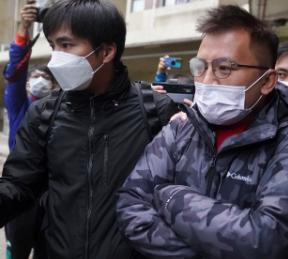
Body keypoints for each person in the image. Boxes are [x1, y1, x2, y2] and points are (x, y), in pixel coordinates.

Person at [117, 5, 288, 259]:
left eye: (224, 68)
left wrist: (172, 197)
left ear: (268, 81)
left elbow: (267, 240)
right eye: (200, 67)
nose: (206, 80)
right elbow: (131, 204)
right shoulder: (181, 128)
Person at [0, 1, 178, 259]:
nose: (55, 58)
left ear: (106, 51)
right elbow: (18, 185)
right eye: (53, 46)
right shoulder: (44, 114)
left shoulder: (156, 111)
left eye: (66, 45)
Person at [2, 1, 57, 258]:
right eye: (35, 77)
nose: (40, 82)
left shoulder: (63, 107)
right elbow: (15, 72)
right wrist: (23, 28)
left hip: (52, 194)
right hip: (21, 191)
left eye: (46, 78)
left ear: (56, 85)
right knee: (18, 249)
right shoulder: (19, 107)